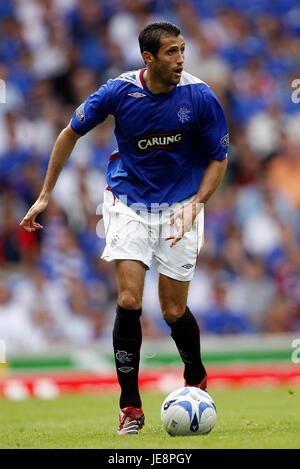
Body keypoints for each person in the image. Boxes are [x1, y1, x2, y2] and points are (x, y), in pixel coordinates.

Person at [20, 22, 228, 435]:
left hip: (180, 207)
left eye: (183, 49)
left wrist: (196, 205)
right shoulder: (118, 91)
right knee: (130, 298)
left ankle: (195, 373)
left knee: (172, 310)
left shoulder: (200, 96)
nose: (181, 59)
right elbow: (69, 133)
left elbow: (219, 158)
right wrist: (45, 194)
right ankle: (130, 405)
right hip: (127, 202)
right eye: (171, 52)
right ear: (148, 58)